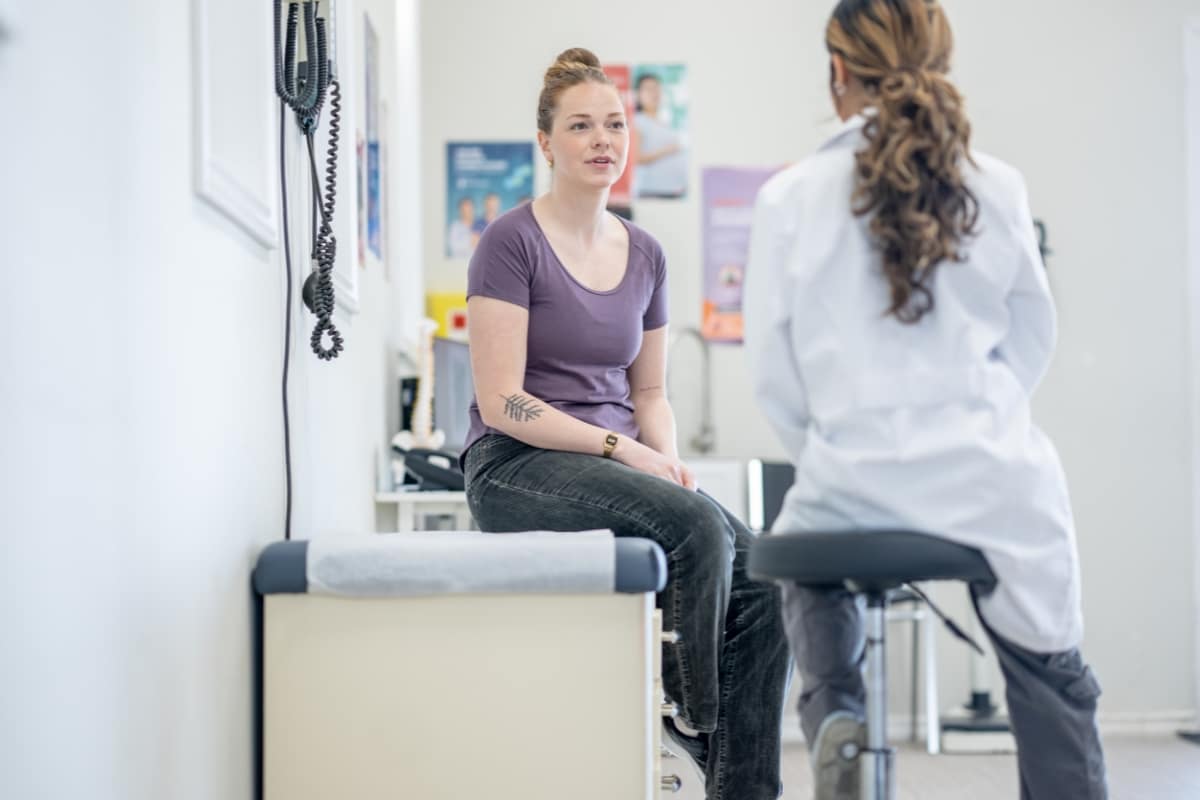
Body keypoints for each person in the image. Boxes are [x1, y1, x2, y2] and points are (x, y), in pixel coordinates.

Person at [742, 2, 1109, 799]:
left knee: (806, 562)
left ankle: (839, 708)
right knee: (1055, 677)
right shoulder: (997, 186)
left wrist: (838, 450)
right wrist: (977, 417)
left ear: (837, 70)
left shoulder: (789, 199)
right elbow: (1030, 339)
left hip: (851, 480)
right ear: (941, 64)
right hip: (991, 481)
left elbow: (774, 373)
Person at [462, 47, 789, 799]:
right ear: (546, 142)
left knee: (770, 574)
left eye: (615, 124)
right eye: (581, 126)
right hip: (516, 464)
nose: (603, 139)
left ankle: (743, 788)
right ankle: (692, 718)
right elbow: (504, 398)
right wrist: (624, 451)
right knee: (697, 531)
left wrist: (669, 463)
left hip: (615, 467)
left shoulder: (646, 253)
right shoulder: (510, 243)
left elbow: (650, 392)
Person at [634, 73, 688, 198]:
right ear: (638, 94)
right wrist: (669, 150)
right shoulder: (638, 120)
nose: (654, 93)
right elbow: (637, 158)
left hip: (674, 191)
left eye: (657, 88)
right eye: (649, 89)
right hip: (653, 192)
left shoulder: (664, 122)